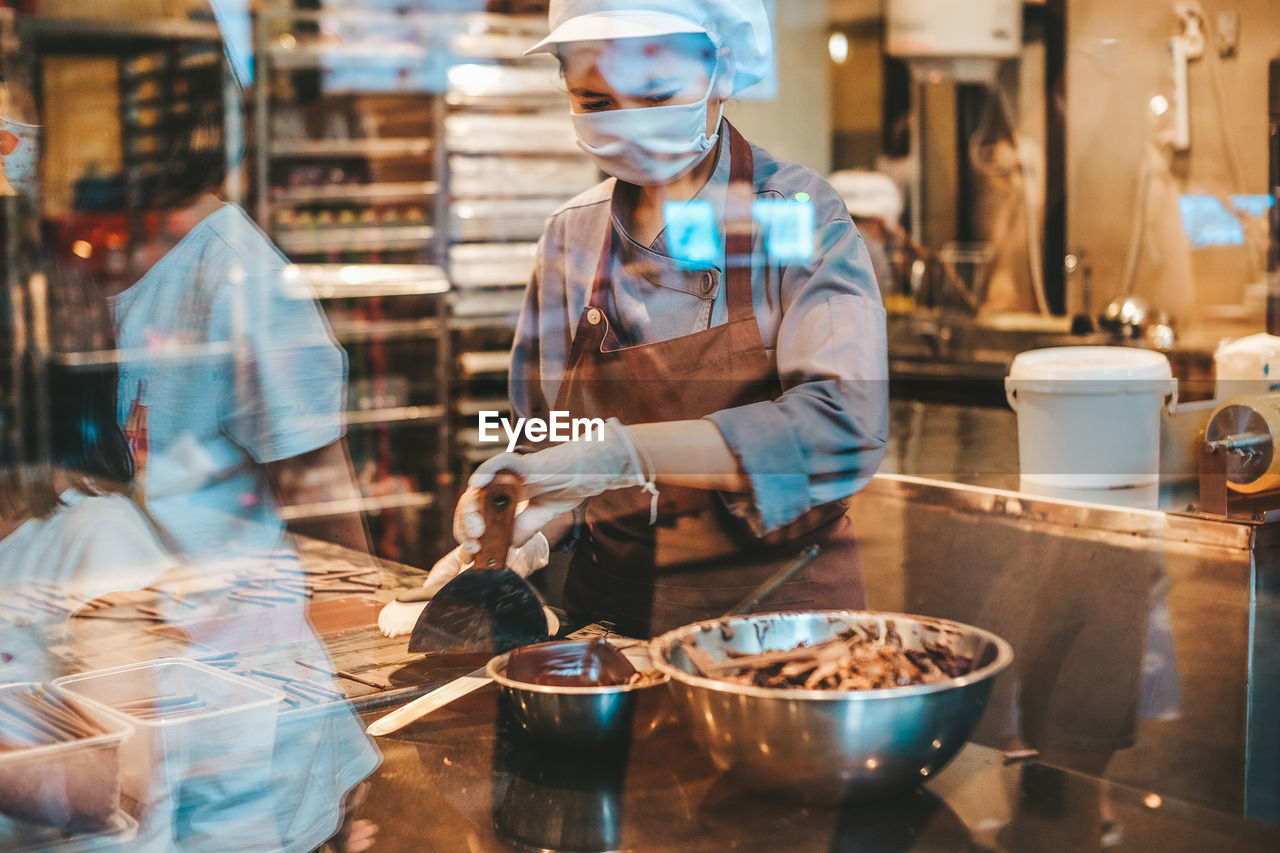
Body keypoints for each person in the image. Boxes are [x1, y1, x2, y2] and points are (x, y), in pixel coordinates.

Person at [386, 0, 887, 640]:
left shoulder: (792, 215)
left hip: (776, 621)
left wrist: (623, 455)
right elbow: (551, 437)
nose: (628, 125)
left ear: (722, 73)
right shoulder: (572, 236)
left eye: (654, 97)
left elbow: (843, 425)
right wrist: (526, 527)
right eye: (596, 103)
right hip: (609, 622)